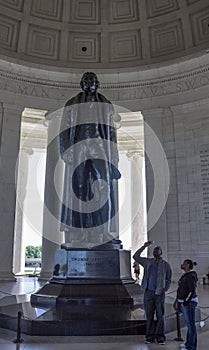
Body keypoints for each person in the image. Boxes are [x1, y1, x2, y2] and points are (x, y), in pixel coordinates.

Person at [59, 72, 121, 246]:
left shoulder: (106, 105)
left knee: (103, 188)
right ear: (81, 83)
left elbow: (111, 133)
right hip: (78, 146)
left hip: (99, 146)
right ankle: (79, 232)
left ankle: (102, 231)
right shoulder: (71, 104)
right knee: (78, 189)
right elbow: (64, 128)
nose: (89, 83)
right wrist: (66, 150)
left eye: (92, 80)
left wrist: (114, 158)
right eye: (86, 80)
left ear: (97, 83)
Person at [133, 242, 172, 345]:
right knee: (149, 315)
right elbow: (135, 256)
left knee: (160, 315)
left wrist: (165, 289)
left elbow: (169, 278)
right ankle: (150, 336)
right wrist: (143, 246)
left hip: (159, 294)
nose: (156, 251)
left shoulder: (165, 265)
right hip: (148, 293)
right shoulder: (148, 262)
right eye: (155, 250)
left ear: (161, 253)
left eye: (158, 250)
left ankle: (160, 336)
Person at [176, 259, 198, 350]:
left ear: (188, 265)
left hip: (189, 303)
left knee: (191, 325)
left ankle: (191, 346)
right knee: (189, 324)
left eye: (184, 263)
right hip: (184, 302)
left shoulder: (190, 276)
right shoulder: (186, 275)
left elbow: (191, 290)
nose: (182, 265)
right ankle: (188, 343)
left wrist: (186, 302)